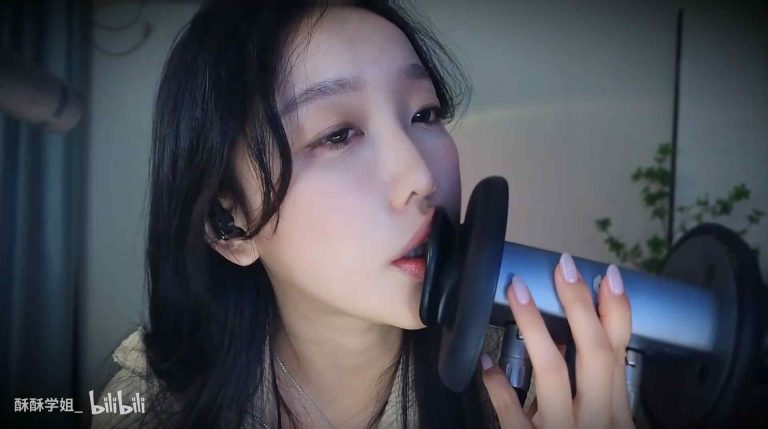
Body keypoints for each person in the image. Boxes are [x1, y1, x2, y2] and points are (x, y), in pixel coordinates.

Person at [92, 1, 634, 428]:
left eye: (425, 113)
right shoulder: (151, 400)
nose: (420, 176)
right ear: (228, 226)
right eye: (337, 135)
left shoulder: (534, 387)